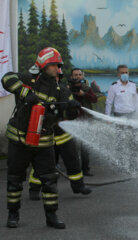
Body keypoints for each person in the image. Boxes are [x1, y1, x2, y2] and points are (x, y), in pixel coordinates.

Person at [1, 47, 81, 229]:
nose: (57, 68)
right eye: (53, 65)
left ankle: (52, 217)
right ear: (44, 64)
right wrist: (25, 93)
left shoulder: (60, 88)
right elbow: (6, 79)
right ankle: (13, 214)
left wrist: (72, 108)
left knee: (50, 180)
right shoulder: (28, 79)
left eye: (58, 65)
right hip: (19, 140)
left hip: (44, 143)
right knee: (14, 179)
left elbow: (66, 114)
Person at [28, 68, 92, 200]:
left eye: (58, 76)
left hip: (62, 133)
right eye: (54, 76)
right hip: (46, 133)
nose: (55, 78)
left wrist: (72, 108)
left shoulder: (64, 91)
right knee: (42, 163)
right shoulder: (39, 89)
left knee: (73, 160)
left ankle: (78, 186)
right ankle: (34, 189)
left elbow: (70, 115)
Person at [69, 68, 98, 176]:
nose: (77, 77)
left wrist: (84, 95)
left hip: (85, 120)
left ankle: (85, 169)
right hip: (72, 120)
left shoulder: (86, 88)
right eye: (75, 75)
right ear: (71, 77)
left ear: (82, 76)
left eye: (79, 75)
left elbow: (94, 99)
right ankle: (73, 170)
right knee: (71, 148)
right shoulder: (67, 88)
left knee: (84, 146)